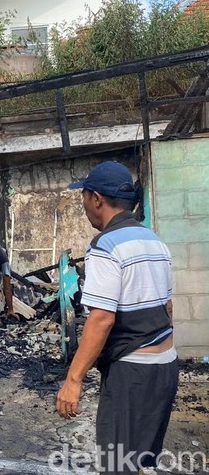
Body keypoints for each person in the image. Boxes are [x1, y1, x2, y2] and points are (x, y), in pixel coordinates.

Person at [56, 161, 178, 475]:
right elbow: (168, 309)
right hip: (166, 367)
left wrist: (73, 379)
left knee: (118, 464)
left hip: (132, 374)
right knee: (143, 462)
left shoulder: (105, 246)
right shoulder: (155, 241)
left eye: (83, 197)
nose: (83, 205)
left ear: (96, 198)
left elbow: (101, 319)